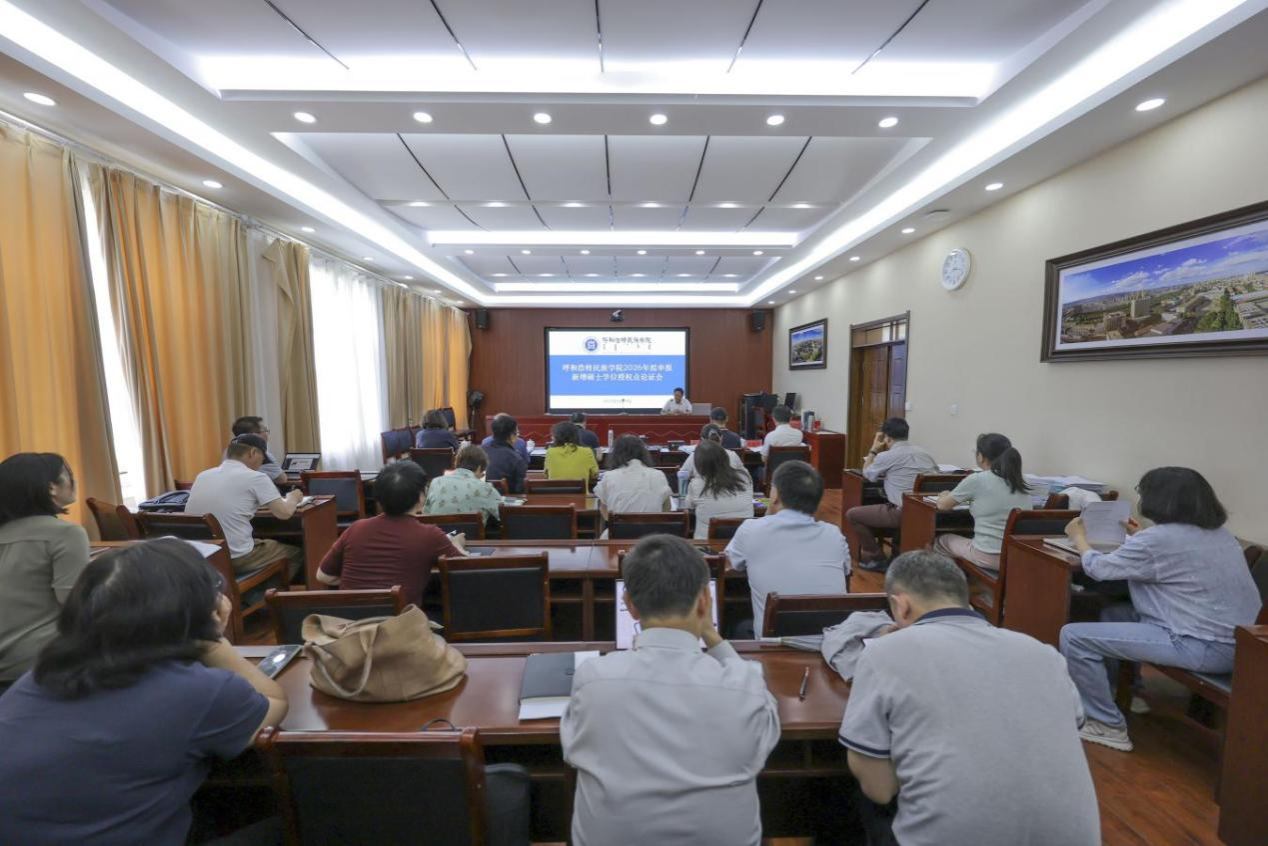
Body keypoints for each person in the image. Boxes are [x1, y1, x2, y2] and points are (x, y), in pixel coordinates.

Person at [0, 539, 288, 844]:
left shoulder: (39, 677)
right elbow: (275, 703)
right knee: (298, 821)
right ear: (206, 608)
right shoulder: (199, 691)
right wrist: (213, 643)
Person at [840, 550, 1099, 846]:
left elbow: (879, 790)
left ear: (901, 606)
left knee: (849, 798)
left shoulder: (883, 652)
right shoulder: (1044, 653)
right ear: (966, 600)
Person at [560, 535, 780, 846]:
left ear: (629, 605)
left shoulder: (593, 678)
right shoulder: (743, 685)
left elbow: (572, 748)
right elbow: (767, 737)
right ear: (704, 601)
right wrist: (713, 637)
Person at [1060, 467, 1261, 752]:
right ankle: (1127, 691)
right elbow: (1174, 559)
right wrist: (1139, 536)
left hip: (1200, 645)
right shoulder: (1221, 535)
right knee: (1114, 614)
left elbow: (1099, 569)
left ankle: (1106, 723)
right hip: (1243, 644)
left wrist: (1078, 536)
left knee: (1073, 637)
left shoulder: (1159, 539)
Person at [725, 461, 850, 634]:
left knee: (734, 622)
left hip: (773, 643)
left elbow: (727, 566)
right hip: (832, 641)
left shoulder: (750, 530)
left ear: (775, 495)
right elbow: (845, 572)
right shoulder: (834, 535)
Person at [319, 461, 465, 607]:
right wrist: (456, 544)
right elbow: (463, 573)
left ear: (378, 498)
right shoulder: (430, 535)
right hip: (400, 620)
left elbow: (323, 576)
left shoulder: (356, 528)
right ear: (421, 497)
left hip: (348, 619)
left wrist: (362, 587)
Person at [0, 453, 90, 689]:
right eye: (68, 475)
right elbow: (76, 604)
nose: (74, 481)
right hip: (41, 663)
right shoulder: (67, 534)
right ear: (51, 488)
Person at [186, 434, 305, 579]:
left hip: (204, 555)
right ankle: (267, 592)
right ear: (252, 452)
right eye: (262, 459)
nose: (261, 464)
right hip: (236, 557)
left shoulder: (202, 476)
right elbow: (284, 513)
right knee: (295, 553)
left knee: (261, 541)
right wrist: (293, 498)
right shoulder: (256, 477)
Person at [848, 417, 937, 573]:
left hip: (902, 512)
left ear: (887, 438)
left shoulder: (886, 456)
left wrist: (874, 449)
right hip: (926, 512)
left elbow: (867, 474)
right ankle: (897, 552)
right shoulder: (925, 453)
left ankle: (877, 558)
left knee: (852, 515)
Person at [933, 433, 1033, 571]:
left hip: (988, 556)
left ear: (980, 456)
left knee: (941, 541)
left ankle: (951, 581)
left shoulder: (977, 479)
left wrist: (945, 495)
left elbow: (942, 505)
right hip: (1018, 557)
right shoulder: (1021, 480)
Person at [594, 435, 672, 531]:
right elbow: (667, 508)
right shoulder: (658, 474)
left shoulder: (608, 476)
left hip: (618, 534)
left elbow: (603, 509)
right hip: (652, 535)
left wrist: (614, 524)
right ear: (643, 453)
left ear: (616, 454)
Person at [685, 440, 754, 540]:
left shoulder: (696, 484)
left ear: (699, 464)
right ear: (725, 457)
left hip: (706, 545)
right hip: (743, 540)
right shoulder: (744, 477)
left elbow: (689, 505)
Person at [423, 444, 503, 527]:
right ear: (479, 468)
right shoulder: (486, 489)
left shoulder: (436, 482)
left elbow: (426, 514)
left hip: (438, 534)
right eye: (482, 473)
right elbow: (503, 515)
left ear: (456, 462)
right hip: (469, 535)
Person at [544, 421, 600, 489]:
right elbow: (595, 474)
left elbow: (546, 474)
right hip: (581, 494)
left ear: (557, 437)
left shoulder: (550, 452)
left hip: (556, 493)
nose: (551, 437)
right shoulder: (587, 451)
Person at [230, 415, 286, 484]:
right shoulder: (259, 454)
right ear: (254, 435)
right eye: (265, 430)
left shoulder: (229, 452)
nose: (267, 434)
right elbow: (282, 479)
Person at [680, 424, 746, 480]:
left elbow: (682, 476)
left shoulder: (695, 456)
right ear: (721, 438)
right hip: (728, 490)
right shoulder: (733, 455)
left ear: (702, 439)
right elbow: (744, 477)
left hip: (700, 490)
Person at [482, 414, 528, 494]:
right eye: (516, 433)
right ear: (512, 435)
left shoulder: (479, 451)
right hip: (505, 500)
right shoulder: (516, 459)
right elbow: (520, 491)